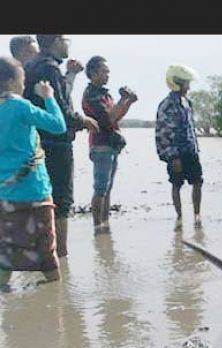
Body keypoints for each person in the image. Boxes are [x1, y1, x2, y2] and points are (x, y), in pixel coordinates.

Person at [23, 34, 99, 257]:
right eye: (66, 40)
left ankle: (39, 255)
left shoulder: (32, 66)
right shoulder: (49, 68)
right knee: (61, 201)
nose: (68, 45)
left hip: (35, 142)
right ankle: (61, 257)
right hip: (56, 143)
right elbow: (61, 109)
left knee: (40, 199)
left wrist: (71, 74)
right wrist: (82, 120)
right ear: (56, 40)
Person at [0, 57, 66, 285]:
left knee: (5, 250)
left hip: (4, 194)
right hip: (34, 190)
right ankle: (56, 300)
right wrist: (49, 97)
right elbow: (59, 125)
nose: (24, 84)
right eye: (22, 79)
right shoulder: (20, 106)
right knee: (46, 248)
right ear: (10, 80)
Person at [81, 56, 138, 234]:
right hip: (100, 145)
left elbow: (117, 116)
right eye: (104, 71)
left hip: (110, 144)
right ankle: (98, 228)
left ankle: (104, 226)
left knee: (107, 188)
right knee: (101, 188)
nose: (107, 75)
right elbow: (108, 117)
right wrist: (123, 99)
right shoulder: (91, 94)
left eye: (108, 72)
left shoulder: (105, 94)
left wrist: (128, 102)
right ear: (93, 73)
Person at [156, 64, 203, 231]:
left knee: (197, 182)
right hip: (176, 153)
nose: (188, 87)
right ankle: (180, 217)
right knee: (176, 184)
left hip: (191, 150)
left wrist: (196, 148)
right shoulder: (166, 104)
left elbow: (190, 128)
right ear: (177, 82)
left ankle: (197, 215)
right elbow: (163, 133)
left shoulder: (187, 102)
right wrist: (172, 156)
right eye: (186, 83)